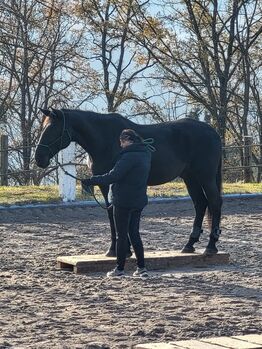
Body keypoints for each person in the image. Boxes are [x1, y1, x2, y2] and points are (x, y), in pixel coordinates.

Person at [81, 129, 152, 278]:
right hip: (138, 199)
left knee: (121, 236)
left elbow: (113, 176)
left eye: (122, 141)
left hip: (123, 201)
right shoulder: (145, 154)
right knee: (134, 234)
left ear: (127, 140)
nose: (120, 144)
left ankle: (119, 269)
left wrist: (91, 180)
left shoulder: (127, 157)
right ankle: (141, 267)